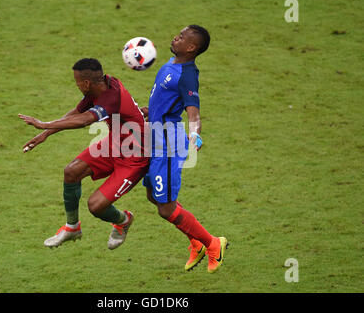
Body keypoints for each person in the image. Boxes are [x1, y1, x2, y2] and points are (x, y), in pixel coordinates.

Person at [18, 58, 149, 250]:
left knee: (96, 206)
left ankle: (123, 221)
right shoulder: (102, 85)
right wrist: (45, 134)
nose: (76, 85)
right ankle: (72, 228)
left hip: (135, 157)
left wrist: (44, 123)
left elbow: (84, 120)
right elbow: (78, 112)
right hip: (114, 144)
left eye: (77, 82)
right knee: (71, 171)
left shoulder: (111, 97)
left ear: (86, 83)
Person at [142, 25, 228, 273]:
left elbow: (193, 110)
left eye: (181, 37)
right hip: (156, 137)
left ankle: (213, 244)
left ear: (191, 48)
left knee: (166, 207)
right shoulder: (171, 64)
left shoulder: (188, 75)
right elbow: (166, 100)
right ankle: (197, 243)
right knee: (154, 196)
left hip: (168, 143)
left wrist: (195, 136)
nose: (175, 37)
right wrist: (147, 111)